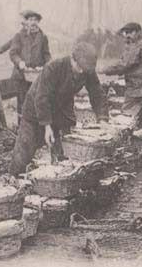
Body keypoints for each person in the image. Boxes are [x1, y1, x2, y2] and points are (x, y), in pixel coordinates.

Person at [8, 42, 109, 176]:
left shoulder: (86, 71)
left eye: (84, 70)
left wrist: (102, 119)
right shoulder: (54, 67)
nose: (81, 72)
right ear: (72, 59)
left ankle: (60, 181)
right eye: (79, 67)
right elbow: (42, 97)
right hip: (35, 108)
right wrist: (47, 126)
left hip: (61, 112)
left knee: (64, 153)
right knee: (25, 149)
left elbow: (97, 93)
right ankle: (13, 178)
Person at [97, 22, 142, 128]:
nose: (127, 35)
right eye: (125, 33)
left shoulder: (139, 45)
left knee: (127, 114)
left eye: (130, 32)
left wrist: (104, 69)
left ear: (137, 32)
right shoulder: (140, 43)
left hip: (141, 87)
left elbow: (124, 64)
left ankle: (123, 135)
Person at [8, 10, 52, 118]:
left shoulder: (43, 37)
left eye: (35, 20)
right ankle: (21, 128)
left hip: (37, 75)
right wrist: (20, 62)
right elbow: (13, 53)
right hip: (21, 75)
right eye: (30, 19)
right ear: (26, 22)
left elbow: (46, 54)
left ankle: (34, 128)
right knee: (22, 102)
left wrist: (48, 64)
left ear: (38, 22)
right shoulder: (19, 36)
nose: (32, 22)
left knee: (36, 100)